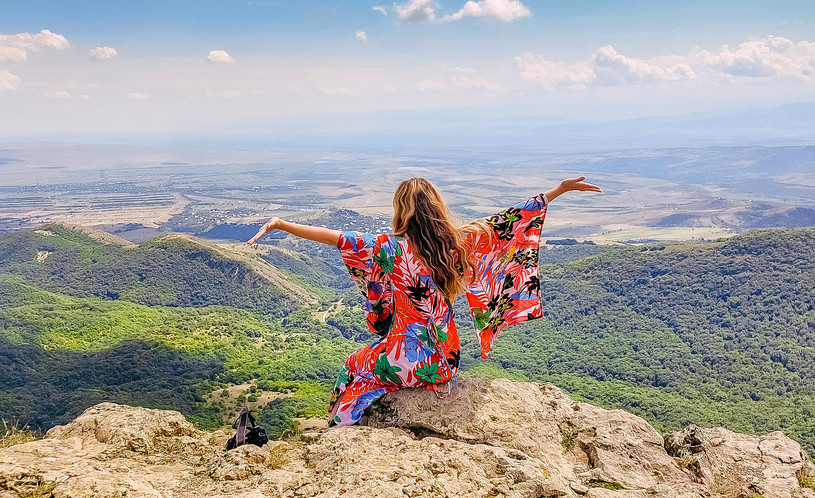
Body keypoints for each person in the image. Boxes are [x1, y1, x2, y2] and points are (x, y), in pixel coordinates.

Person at [246, 177, 602, 427]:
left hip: (406, 357)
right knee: (368, 364)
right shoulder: (457, 241)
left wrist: (281, 224)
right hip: (446, 359)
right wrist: (559, 190)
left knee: (354, 366)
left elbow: (335, 238)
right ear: (435, 206)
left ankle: (342, 428)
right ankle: (415, 392)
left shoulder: (388, 247)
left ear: (402, 210)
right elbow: (510, 220)